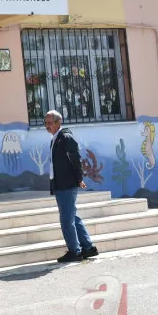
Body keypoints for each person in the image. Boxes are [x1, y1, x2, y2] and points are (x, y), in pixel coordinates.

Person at [45, 110, 99, 263]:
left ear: (58, 122)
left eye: (50, 123)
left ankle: (74, 251)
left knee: (66, 220)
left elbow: (76, 160)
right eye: (45, 123)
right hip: (60, 183)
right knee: (72, 216)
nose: (47, 126)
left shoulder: (66, 138)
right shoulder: (56, 138)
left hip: (66, 184)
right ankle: (88, 247)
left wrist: (79, 178)